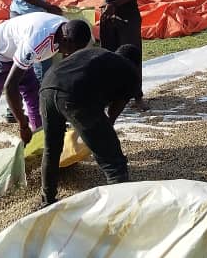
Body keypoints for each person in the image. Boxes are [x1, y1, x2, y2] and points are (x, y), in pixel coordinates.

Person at [0, 15, 92, 206]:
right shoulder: (38, 41)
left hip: (18, 55)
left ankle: (46, 162)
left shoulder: (66, 31)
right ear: (65, 40)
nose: (69, 55)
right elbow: (10, 87)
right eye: (71, 51)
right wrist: (22, 124)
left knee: (37, 103)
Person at [39, 44, 143, 206]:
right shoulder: (130, 71)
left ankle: (47, 200)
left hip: (47, 86)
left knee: (52, 149)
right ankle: (122, 206)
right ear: (135, 63)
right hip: (74, 93)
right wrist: (103, 131)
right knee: (113, 160)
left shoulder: (95, 54)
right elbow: (115, 110)